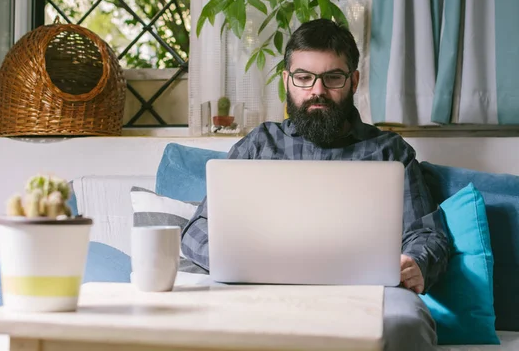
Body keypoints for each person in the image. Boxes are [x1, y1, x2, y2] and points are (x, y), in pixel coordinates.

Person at [181, 18, 449, 351]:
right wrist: (242, 260)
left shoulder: (390, 151)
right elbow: (196, 231)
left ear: (353, 80)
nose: (317, 90)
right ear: (286, 81)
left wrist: (417, 262)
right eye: (304, 78)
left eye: (332, 77)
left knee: (406, 325)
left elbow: (426, 234)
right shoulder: (259, 145)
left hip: (369, 293)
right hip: (260, 289)